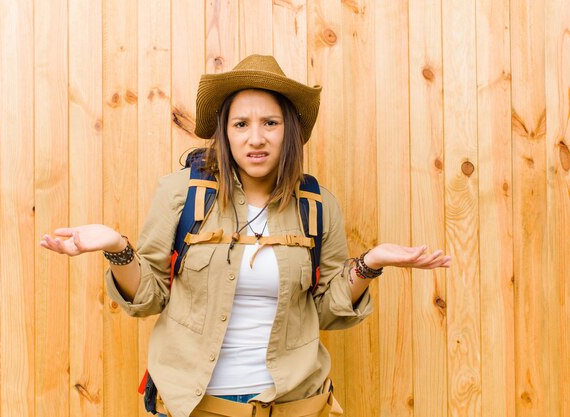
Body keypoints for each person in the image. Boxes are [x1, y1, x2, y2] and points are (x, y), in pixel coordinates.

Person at [40, 55, 451, 417]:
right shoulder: (181, 193)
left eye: (270, 123)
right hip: (193, 406)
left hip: (295, 404)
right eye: (241, 124)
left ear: (288, 130)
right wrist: (118, 248)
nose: (256, 138)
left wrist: (369, 264)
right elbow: (148, 298)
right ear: (225, 131)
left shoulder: (318, 205)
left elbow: (327, 311)